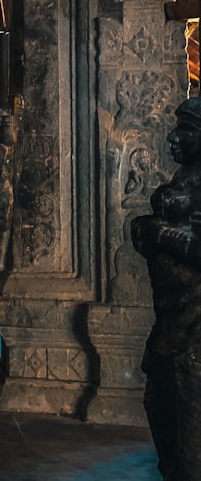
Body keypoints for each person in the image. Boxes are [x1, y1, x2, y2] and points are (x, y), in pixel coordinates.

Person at [131, 97, 201, 481]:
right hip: (172, 323)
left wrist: (161, 234)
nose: (172, 139)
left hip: (195, 328)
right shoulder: (186, 178)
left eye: (185, 132)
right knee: (161, 408)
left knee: (190, 434)